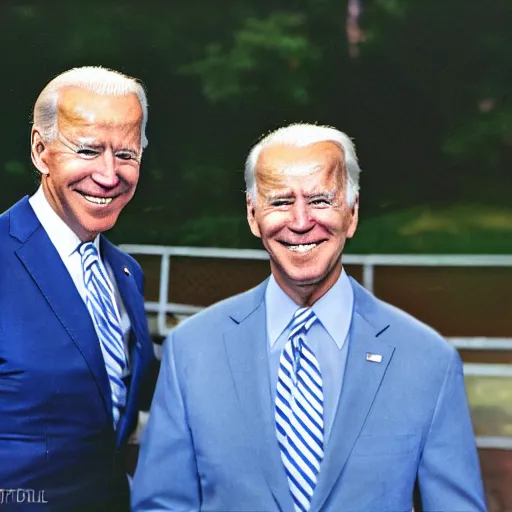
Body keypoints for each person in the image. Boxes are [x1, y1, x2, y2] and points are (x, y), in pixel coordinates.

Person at [132, 123, 486, 511]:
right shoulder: (191, 350)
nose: (300, 222)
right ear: (253, 216)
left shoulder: (427, 361)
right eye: (281, 201)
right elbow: (162, 505)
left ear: (351, 214)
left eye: (320, 200)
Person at [0, 66, 154, 511]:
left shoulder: (126, 273)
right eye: (88, 150)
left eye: (126, 154)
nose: (109, 175)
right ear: (40, 150)